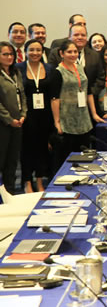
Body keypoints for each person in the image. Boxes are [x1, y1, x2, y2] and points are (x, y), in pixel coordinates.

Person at [50, 40, 96, 167]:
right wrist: (57, 122)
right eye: (69, 52)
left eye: (75, 51)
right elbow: (54, 98)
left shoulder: (80, 68)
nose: (73, 54)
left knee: (84, 154)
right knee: (66, 156)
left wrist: (94, 114)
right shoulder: (57, 72)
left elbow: (88, 91)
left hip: (83, 118)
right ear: (61, 53)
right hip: (66, 119)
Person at [16, 40, 53, 192]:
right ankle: (27, 181)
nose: (35, 53)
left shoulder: (49, 68)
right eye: (31, 50)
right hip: (27, 115)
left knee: (42, 148)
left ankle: (39, 180)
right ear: (25, 51)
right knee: (27, 149)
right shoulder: (19, 68)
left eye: (38, 50)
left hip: (45, 115)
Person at [0, 42, 27, 193]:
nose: (9, 57)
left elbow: (22, 95)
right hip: (3, 124)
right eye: (5, 54)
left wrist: (23, 115)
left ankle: (10, 192)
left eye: (11, 54)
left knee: (12, 161)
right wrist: (9, 120)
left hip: (18, 123)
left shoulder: (16, 72)